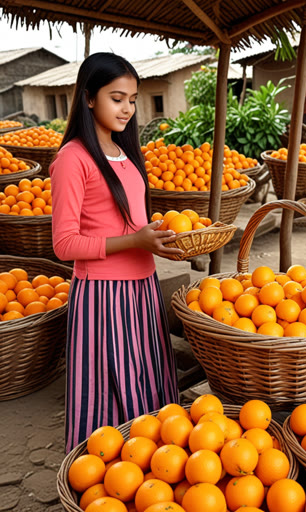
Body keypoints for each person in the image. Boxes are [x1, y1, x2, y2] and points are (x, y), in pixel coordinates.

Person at [50, 53, 182, 453]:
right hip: (104, 296)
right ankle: (106, 479)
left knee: (146, 382)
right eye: (117, 97)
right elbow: (64, 244)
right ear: (89, 98)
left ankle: (154, 473)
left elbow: (130, 223)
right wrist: (136, 241)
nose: (127, 108)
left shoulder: (125, 153)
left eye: (133, 99)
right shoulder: (73, 159)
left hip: (142, 288)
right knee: (107, 395)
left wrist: (157, 238)